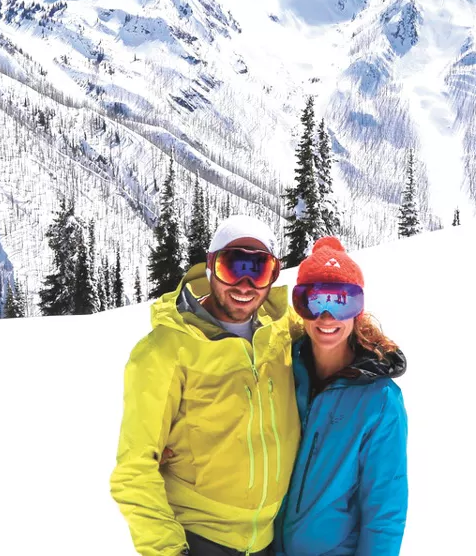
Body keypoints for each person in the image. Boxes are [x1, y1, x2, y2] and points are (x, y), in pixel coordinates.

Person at [111, 215, 301, 556]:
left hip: (271, 538)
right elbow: (134, 468)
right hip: (201, 539)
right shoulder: (165, 350)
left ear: (274, 275)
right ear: (211, 266)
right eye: (233, 268)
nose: (244, 285)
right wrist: (168, 551)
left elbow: (334, 322)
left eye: (258, 270)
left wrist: (372, 345)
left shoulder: (283, 331)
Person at [275, 236, 408, 556]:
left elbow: (384, 513)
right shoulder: (279, 370)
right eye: (313, 301)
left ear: (358, 310)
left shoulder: (379, 400)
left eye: (341, 301)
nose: (326, 317)